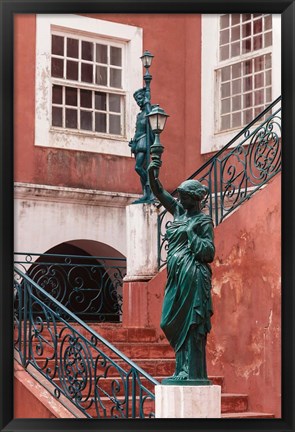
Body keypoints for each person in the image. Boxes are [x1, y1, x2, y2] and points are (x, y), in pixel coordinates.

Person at [148, 158, 215, 384]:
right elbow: (159, 192)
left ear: (194, 198)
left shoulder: (203, 221)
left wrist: (192, 235)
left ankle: (189, 371)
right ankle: (183, 369)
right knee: (168, 321)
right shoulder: (177, 211)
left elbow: (209, 252)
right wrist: (152, 172)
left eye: (183, 196)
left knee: (191, 324)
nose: (179, 198)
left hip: (193, 275)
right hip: (176, 276)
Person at [129, 88, 154, 203]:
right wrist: (133, 142)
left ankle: (150, 187)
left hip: (144, 141)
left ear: (144, 97)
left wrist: (147, 102)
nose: (138, 102)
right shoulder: (139, 115)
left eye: (140, 99)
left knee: (138, 167)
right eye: (137, 100)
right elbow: (137, 130)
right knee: (142, 168)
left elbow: (151, 118)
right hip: (137, 142)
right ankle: (145, 192)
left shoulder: (150, 111)